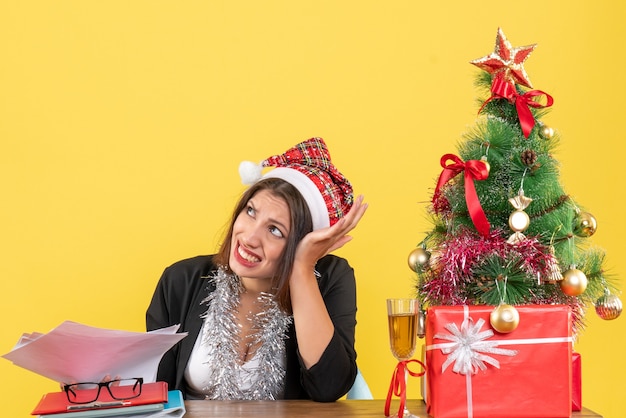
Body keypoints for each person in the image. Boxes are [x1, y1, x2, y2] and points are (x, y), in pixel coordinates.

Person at [146, 137, 368, 402]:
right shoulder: (181, 281)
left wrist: (302, 269)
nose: (249, 237)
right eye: (250, 211)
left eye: (275, 230)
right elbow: (156, 391)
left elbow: (329, 386)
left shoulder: (329, 278)